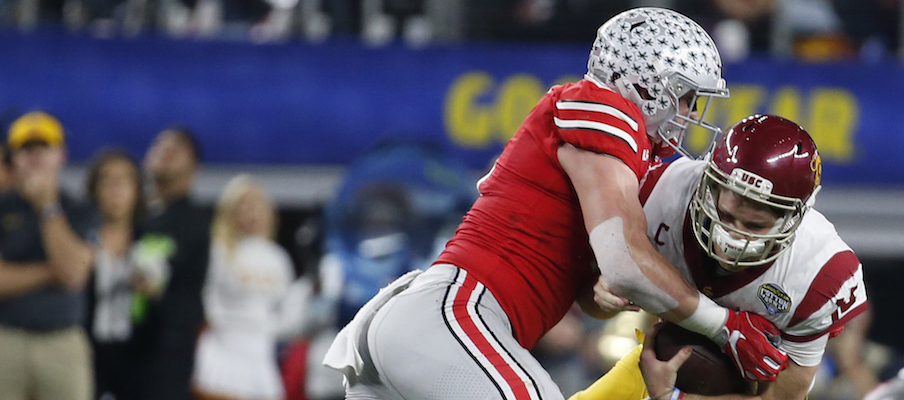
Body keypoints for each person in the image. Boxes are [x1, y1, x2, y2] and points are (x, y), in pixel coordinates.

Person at [324, 8, 787, 400]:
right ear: (648, 85)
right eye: (685, 95)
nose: (691, 112)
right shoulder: (607, 109)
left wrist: (610, 304)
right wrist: (723, 324)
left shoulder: (625, 163)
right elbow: (626, 260)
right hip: (455, 312)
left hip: (434, 324)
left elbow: (595, 295)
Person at [571, 114, 869, 400]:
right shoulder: (658, 193)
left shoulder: (820, 270)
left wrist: (673, 397)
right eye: (725, 216)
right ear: (708, 185)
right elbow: (590, 305)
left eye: (754, 226)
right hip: (654, 361)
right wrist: (604, 295)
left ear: (793, 219)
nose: (733, 237)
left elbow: (783, 398)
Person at [0, 111, 97, 400]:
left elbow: (76, 275)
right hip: (6, 340)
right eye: (26, 149)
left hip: (63, 342)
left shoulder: (81, 208)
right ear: (13, 158)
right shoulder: (2, 207)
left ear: (62, 154)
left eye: (44, 147)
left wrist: (48, 207)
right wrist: (54, 270)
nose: (35, 156)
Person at [192, 174, 309, 400]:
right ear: (229, 212)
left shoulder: (278, 258)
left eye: (257, 204)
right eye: (244, 206)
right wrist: (229, 323)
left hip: (260, 355)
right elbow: (207, 298)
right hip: (223, 349)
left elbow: (286, 313)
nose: (252, 212)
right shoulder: (219, 251)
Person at [130, 126, 212, 400]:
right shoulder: (135, 218)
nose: (164, 154)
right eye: (158, 148)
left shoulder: (196, 223)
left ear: (194, 166)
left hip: (166, 354)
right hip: (126, 346)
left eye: (175, 150)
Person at [84, 148, 145, 400]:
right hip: (87, 353)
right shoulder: (78, 239)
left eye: (125, 180)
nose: (116, 188)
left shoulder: (151, 240)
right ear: (94, 189)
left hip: (138, 356)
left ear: (137, 190)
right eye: (107, 180)